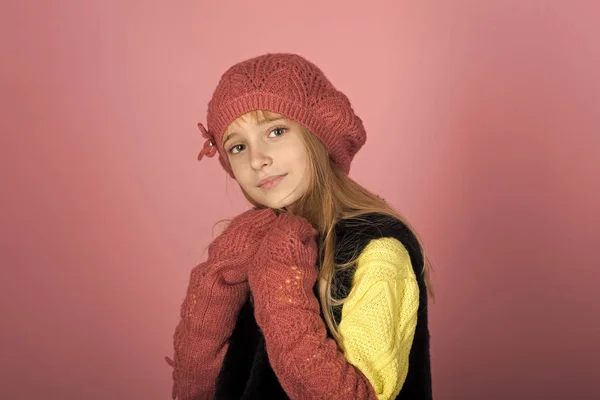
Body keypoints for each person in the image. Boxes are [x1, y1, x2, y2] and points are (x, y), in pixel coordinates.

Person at [166, 53, 433, 400]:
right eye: (237, 146)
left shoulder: (376, 249)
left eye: (276, 131)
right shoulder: (256, 241)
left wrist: (280, 282)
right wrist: (214, 292)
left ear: (317, 133)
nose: (257, 159)